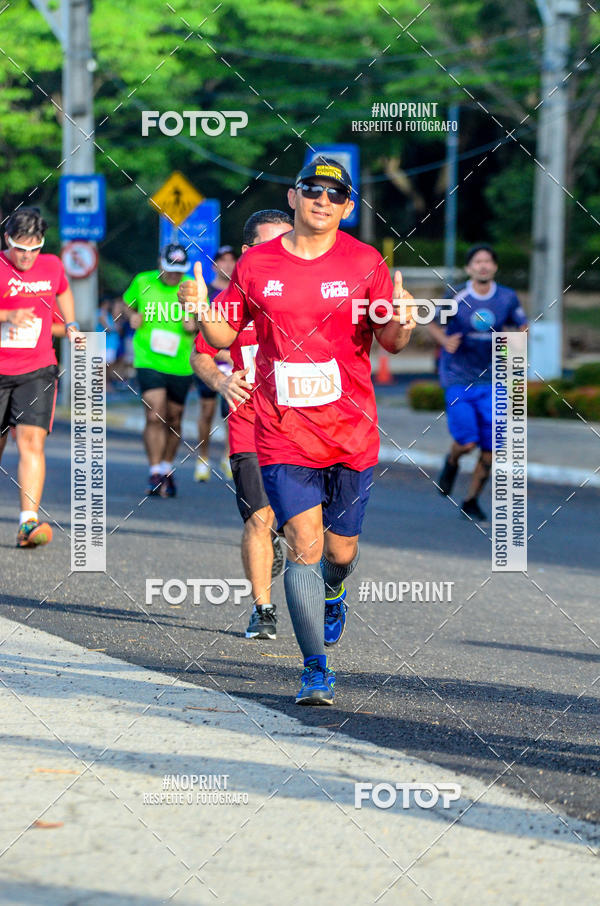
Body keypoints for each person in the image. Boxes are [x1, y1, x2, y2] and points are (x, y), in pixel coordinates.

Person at [197, 157, 416, 705]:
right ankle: (315, 668)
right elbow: (223, 336)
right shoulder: (256, 264)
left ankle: (335, 591)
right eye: (312, 190)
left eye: (334, 194)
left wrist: (403, 320)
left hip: (350, 431)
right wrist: (202, 310)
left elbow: (390, 343)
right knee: (303, 544)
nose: (322, 200)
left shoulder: (365, 262)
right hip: (281, 428)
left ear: (347, 207)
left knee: (340, 552)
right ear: (293, 197)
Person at [180, 210, 293, 640]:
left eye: (288, 242)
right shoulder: (231, 302)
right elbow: (200, 354)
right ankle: (263, 609)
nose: (281, 253)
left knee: (312, 534)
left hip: (309, 425)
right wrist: (222, 381)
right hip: (251, 423)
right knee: (258, 519)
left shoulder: (311, 293)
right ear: (247, 253)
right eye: (270, 245)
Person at [0, 206, 84, 547]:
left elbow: (63, 289)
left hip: (37, 368)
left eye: (34, 248)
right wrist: (7, 315)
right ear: (8, 239)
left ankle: (28, 523)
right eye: (21, 248)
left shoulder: (52, 265)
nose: (27, 256)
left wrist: (72, 323)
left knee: (32, 442)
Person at [428, 244, 528, 522]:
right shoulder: (457, 294)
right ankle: (452, 460)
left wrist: (518, 342)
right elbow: (433, 323)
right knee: (467, 443)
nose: (483, 266)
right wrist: (445, 340)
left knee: (491, 450)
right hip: (459, 378)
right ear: (469, 267)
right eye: (477, 262)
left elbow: (522, 326)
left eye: (488, 261)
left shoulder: (507, 297)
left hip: (494, 381)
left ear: (495, 267)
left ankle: (471, 500)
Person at [122, 243, 195, 498]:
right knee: (155, 414)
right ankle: (154, 471)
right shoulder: (143, 281)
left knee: (174, 418)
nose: (174, 275)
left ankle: (166, 468)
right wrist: (131, 316)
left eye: (179, 270)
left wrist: (195, 323)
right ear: (159, 263)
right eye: (170, 269)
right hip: (148, 359)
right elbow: (126, 305)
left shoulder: (192, 287)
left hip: (181, 363)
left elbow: (206, 319)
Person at [193, 245, 237, 482]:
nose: (227, 264)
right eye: (223, 260)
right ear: (215, 265)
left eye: (232, 260)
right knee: (207, 410)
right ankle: (203, 457)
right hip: (209, 358)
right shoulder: (206, 291)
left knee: (233, 411)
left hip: (235, 361)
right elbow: (194, 326)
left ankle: (229, 456)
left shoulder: (240, 291)